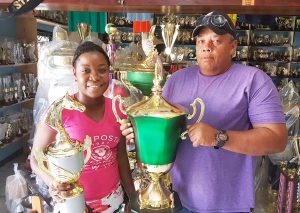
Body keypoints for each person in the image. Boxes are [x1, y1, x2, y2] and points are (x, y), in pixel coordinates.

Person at [120, 11, 288, 212]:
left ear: (233, 47)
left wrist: (218, 137)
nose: (206, 47)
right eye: (201, 41)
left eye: (216, 41)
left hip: (229, 205)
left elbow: (277, 140)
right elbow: (165, 130)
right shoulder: (175, 80)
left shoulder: (254, 81)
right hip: (176, 198)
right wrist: (141, 133)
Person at [30, 41, 135, 213]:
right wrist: (53, 183)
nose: (94, 77)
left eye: (101, 70)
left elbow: (121, 156)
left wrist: (132, 195)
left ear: (109, 73)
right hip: (73, 203)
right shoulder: (60, 109)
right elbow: (35, 158)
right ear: (74, 73)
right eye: (85, 70)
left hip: (113, 201)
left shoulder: (118, 109)